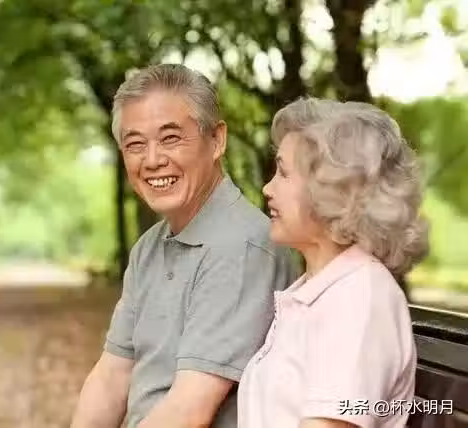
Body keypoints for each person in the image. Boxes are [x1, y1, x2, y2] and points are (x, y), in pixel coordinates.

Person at [70, 63, 298, 428]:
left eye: (171, 138)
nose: (152, 160)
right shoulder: (149, 247)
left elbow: (189, 412)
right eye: (135, 144)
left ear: (217, 140)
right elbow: (111, 376)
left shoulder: (242, 247)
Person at [238, 97, 429, 428]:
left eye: (283, 173)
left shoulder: (361, 298)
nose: (268, 188)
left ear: (335, 190)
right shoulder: (322, 290)